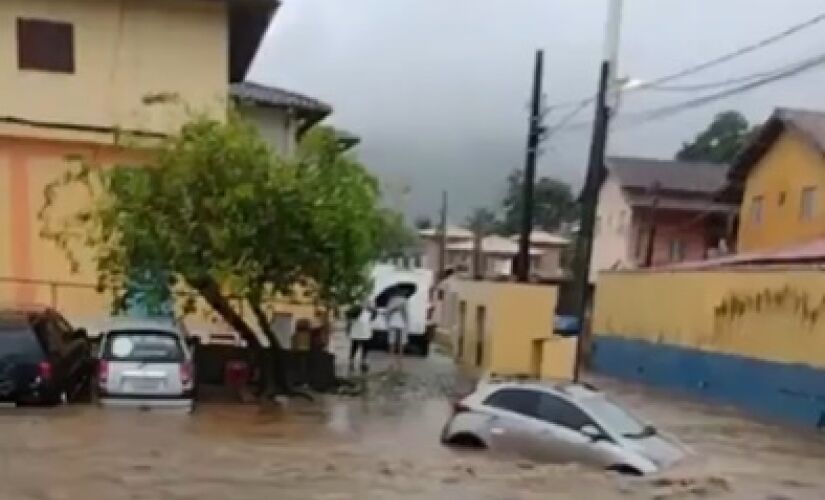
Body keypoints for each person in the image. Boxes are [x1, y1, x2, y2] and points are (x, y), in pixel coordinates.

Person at [347, 302, 374, 373]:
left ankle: (356, 361)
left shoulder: (367, 311)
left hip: (362, 332)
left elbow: (371, 318)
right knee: (360, 347)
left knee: (357, 346)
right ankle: (359, 361)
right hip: (361, 332)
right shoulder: (357, 310)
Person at [385, 294, 409, 361]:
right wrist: (394, 309)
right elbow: (388, 312)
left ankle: (399, 359)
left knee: (400, 343)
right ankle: (392, 360)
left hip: (401, 324)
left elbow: (406, 313)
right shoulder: (391, 300)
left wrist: (401, 309)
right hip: (393, 324)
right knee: (392, 342)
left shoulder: (404, 300)